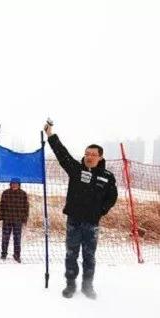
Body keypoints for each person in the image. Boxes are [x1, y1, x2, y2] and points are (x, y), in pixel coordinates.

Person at [44, 120, 118, 299]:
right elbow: (63, 155)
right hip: (74, 221)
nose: (89, 157)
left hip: (92, 223)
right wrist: (51, 135)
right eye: (87, 153)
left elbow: (112, 197)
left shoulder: (107, 177)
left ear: (100, 157)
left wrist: (101, 211)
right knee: (71, 254)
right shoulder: (76, 170)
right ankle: (70, 284)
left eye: (93, 154)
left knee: (89, 256)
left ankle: (87, 286)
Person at [0, 177, 29, 263]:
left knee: (17, 239)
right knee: (5, 238)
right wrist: (2, 216)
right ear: (10, 184)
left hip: (18, 220)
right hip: (7, 220)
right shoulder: (5, 193)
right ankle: (3, 254)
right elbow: (2, 206)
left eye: (16, 184)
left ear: (19, 185)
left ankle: (17, 255)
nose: (15, 185)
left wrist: (24, 219)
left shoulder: (23, 194)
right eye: (13, 184)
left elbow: (26, 208)